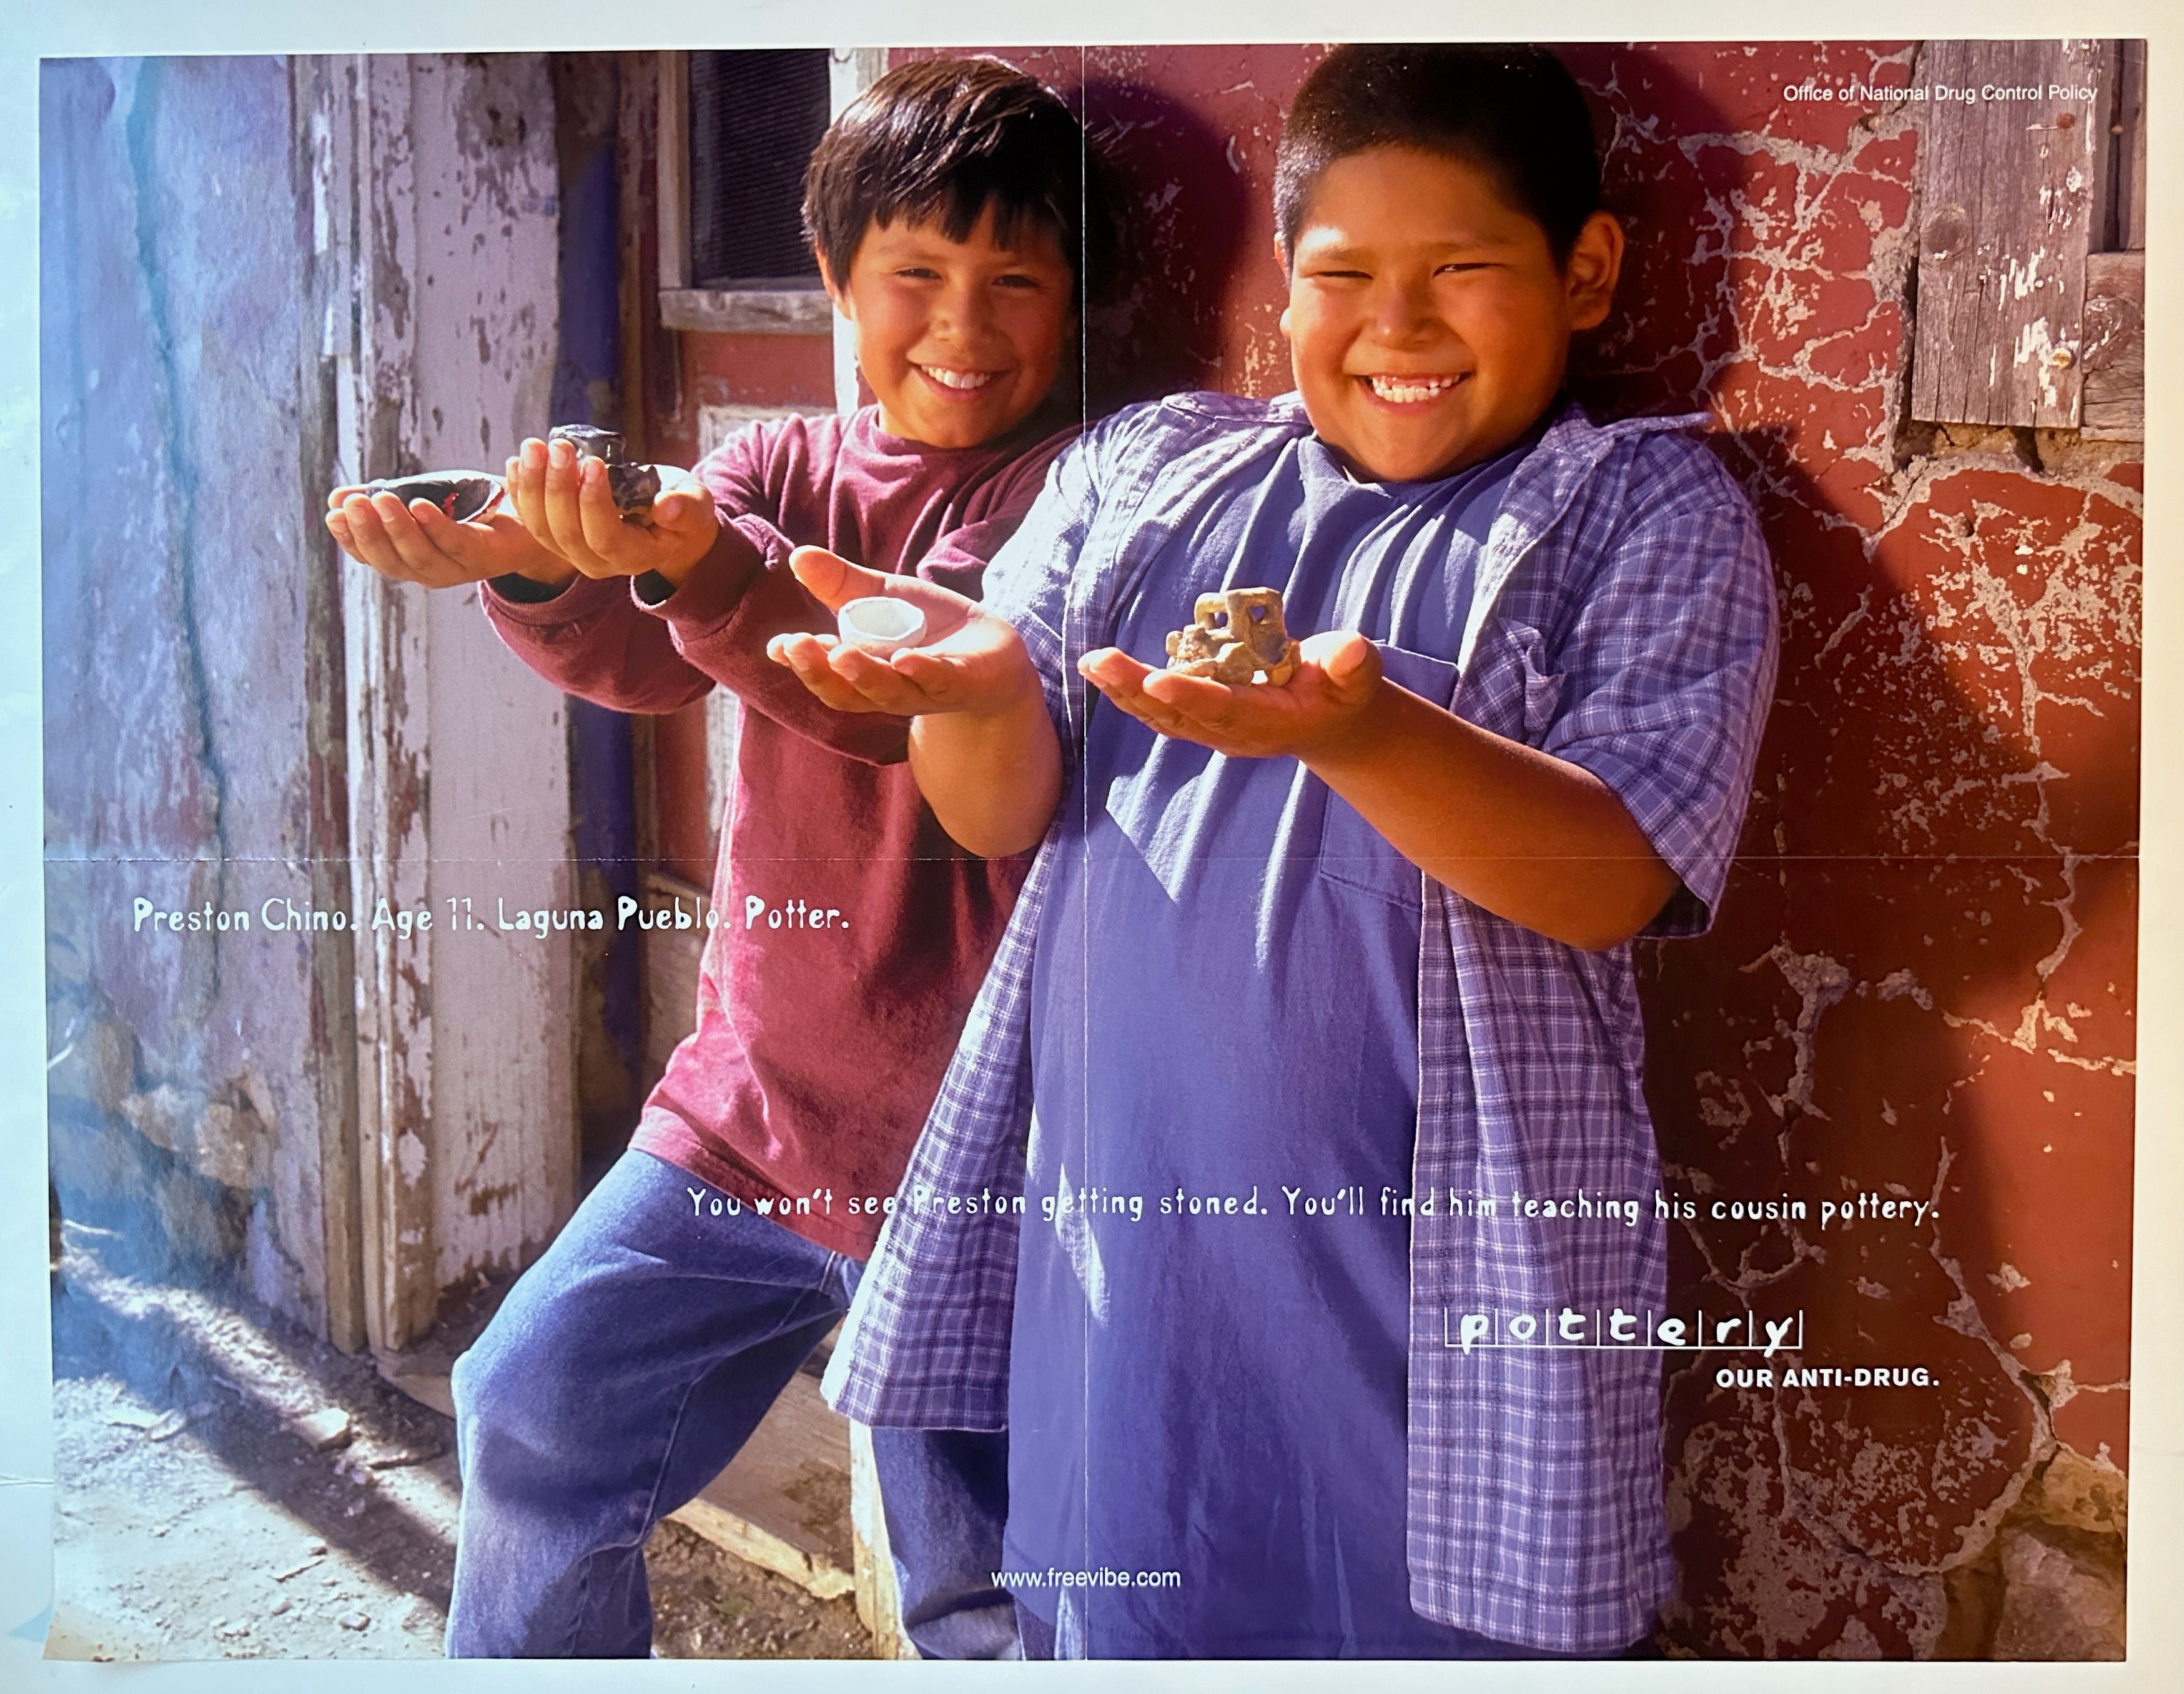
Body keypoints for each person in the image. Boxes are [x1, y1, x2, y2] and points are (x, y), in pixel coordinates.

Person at [778, 44, 1779, 1659]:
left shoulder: (1643, 516)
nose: (1397, 326)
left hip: (1430, 1316)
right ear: (1285, 289)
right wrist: (967, 693)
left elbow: (1617, 882)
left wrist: (1364, 736)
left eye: (1461, 270)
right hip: (1131, 1296)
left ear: (1585, 271)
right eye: (1342, 278)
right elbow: (995, 811)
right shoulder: (1149, 473)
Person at [324, 56, 1112, 1659]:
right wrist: (540, 567)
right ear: (834, 279)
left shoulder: (1071, 493)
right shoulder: (774, 468)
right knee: (530, 1403)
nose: (962, 329)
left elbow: (875, 687)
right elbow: (648, 660)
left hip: (971, 1163)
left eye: (1014, 283)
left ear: (1078, 296)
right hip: (751, 1111)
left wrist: (701, 560)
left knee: (979, 1592)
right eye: (916, 277)